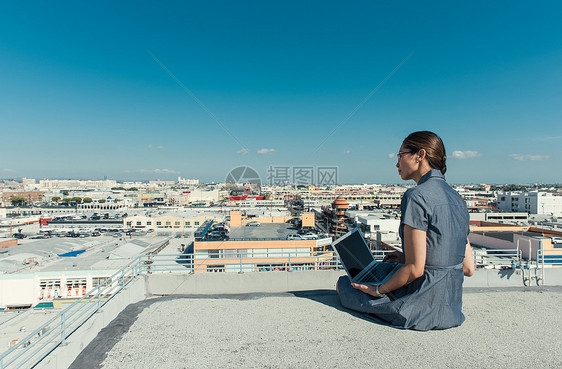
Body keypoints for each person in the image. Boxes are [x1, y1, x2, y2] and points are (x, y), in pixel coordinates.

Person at [336, 131, 475, 331]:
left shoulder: (417, 196)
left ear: (420, 155)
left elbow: (415, 269)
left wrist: (377, 290)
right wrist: (405, 257)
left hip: (421, 306)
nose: (397, 163)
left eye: (400, 156)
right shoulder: (457, 198)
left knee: (345, 285)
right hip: (451, 308)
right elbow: (468, 267)